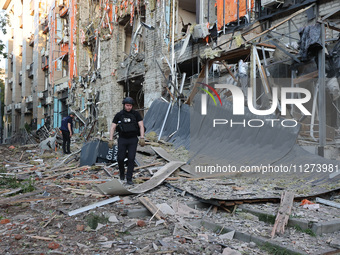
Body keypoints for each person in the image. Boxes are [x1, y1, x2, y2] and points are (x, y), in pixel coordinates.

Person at [109, 97, 145, 185]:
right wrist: (110, 139)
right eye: (127, 105)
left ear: (132, 106)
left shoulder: (136, 114)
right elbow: (113, 127)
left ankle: (129, 178)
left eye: (130, 106)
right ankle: (122, 173)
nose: (129, 107)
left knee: (131, 158)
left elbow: (141, 126)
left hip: (133, 139)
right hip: (122, 139)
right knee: (120, 158)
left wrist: (142, 137)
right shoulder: (119, 115)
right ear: (124, 105)